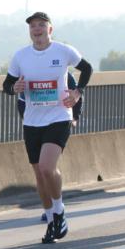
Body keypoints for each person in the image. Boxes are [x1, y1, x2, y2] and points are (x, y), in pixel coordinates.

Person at [3, 12, 93, 243]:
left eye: (41, 25)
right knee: (39, 174)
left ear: (50, 30)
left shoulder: (63, 51)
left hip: (59, 116)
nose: (37, 29)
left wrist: (77, 92)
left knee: (46, 167)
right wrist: (16, 87)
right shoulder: (21, 56)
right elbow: (7, 84)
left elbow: (87, 68)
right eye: (33, 26)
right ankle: (53, 221)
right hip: (32, 121)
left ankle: (59, 210)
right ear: (29, 31)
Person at [17, 72, 82, 223]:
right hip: (33, 126)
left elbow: (78, 96)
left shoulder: (64, 73)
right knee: (39, 171)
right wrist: (27, 120)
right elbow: (21, 101)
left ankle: (56, 208)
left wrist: (75, 117)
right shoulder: (28, 71)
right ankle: (50, 210)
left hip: (56, 124)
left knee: (47, 167)